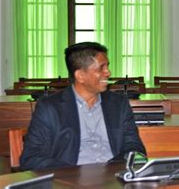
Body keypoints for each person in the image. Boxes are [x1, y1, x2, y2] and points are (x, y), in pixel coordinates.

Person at [20, 42, 146, 170]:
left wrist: (111, 170)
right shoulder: (49, 108)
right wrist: (73, 174)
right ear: (80, 75)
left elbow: (134, 147)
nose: (108, 72)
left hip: (114, 178)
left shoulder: (119, 104)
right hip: (70, 180)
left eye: (107, 66)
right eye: (101, 68)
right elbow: (31, 158)